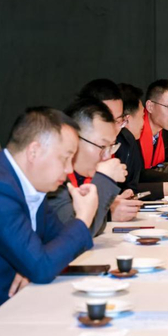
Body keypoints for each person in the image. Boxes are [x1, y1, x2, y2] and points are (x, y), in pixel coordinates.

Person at [0, 107, 98, 320]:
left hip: (13, 305)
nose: (69, 170)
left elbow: (60, 245)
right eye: (65, 158)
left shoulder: (26, 181)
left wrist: (29, 265)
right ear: (34, 152)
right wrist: (83, 218)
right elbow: (42, 266)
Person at [47, 98, 135, 235]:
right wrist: (105, 179)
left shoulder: (80, 175)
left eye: (111, 146)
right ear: (75, 139)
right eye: (102, 146)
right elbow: (73, 235)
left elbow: (94, 225)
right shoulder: (52, 175)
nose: (107, 157)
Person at [78, 78, 143, 221]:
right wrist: (108, 213)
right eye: (108, 119)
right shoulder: (67, 160)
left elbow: (130, 185)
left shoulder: (125, 141)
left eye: (119, 120)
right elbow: (69, 219)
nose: (114, 127)